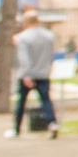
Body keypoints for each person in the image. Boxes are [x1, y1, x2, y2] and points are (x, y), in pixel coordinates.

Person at [7, 9, 59, 139]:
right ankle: (52, 123)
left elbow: (24, 58)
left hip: (28, 74)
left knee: (21, 102)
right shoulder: (49, 36)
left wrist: (27, 74)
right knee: (46, 100)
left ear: (25, 22)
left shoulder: (23, 37)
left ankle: (17, 129)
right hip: (43, 72)